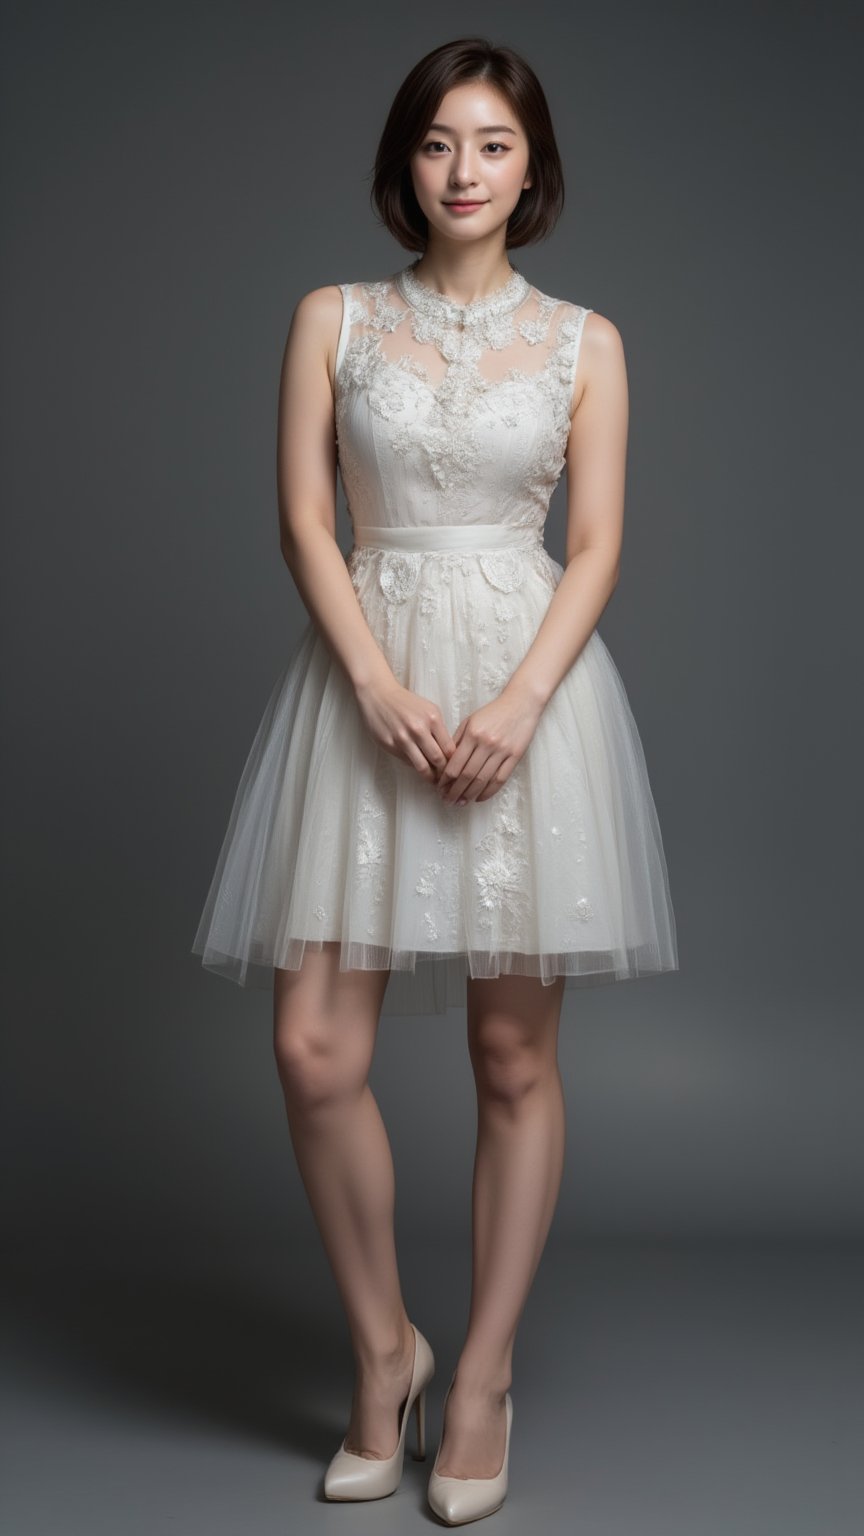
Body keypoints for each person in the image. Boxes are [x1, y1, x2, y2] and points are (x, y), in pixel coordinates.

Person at [191, 34, 678, 1525]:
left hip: (530, 701)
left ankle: (478, 1382)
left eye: (492, 146)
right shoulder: (331, 318)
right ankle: (380, 1350)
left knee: (513, 1059)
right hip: (370, 685)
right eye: (436, 145)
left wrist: (523, 700)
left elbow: (592, 547)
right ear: (404, 166)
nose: (463, 171)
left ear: (534, 173)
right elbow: (301, 522)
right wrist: (378, 683)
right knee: (314, 1049)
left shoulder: (585, 340)